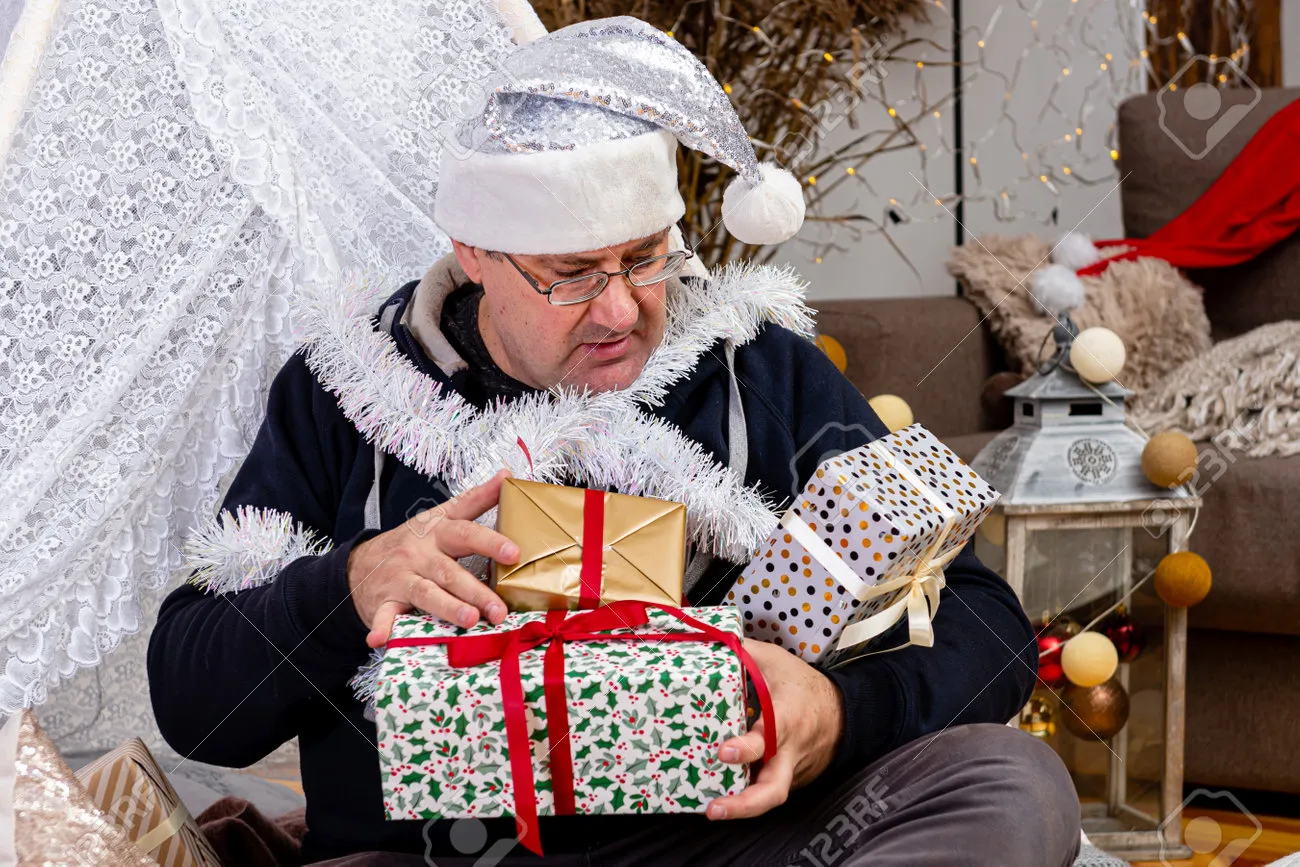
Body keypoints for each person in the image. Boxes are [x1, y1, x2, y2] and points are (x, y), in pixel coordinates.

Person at [147, 16, 1081, 866]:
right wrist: (346, 586)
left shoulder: (758, 369)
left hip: (730, 846)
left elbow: (992, 626)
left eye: (645, 258)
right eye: (573, 273)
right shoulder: (347, 391)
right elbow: (194, 704)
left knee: (1011, 785)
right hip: (436, 858)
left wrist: (841, 713)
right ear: (474, 252)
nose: (622, 308)